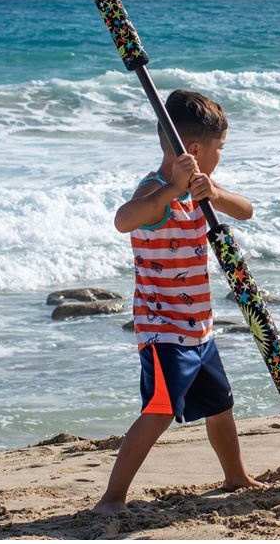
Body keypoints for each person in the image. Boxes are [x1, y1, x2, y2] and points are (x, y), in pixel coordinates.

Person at [94, 89, 266, 515]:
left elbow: (246, 210)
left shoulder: (201, 189)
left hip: (198, 328)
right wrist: (173, 188)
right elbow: (123, 220)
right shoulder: (156, 191)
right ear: (195, 150)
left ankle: (235, 475)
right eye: (220, 148)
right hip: (163, 329)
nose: (221, 155)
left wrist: (216, 195)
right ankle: (112, 498)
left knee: (220, 406)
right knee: (160, 410)